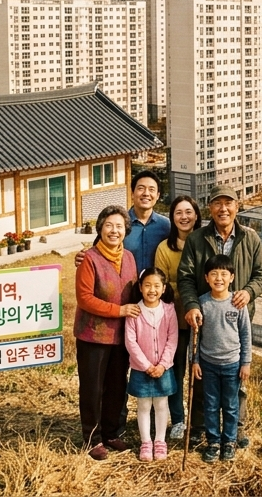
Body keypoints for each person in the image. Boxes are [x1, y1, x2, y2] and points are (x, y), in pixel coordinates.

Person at [176, 183, 262, 448]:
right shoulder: (197, 239)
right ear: (210, 207)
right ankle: (199, 428)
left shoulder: (250, 238)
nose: (223, 208)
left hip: (236, 319)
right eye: (218, 203)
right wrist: (192, 305)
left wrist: (249, 292)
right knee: (201, 375)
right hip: (204, 317)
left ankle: (235, 430)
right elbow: (185, 277)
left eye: (228, 203)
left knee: (237, 376)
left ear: (237, 207)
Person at [75, 205, 140, 459]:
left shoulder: (129, 257)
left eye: (119, 226)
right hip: (93, 336)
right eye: (109, 225)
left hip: (121, 336)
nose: (114, 231)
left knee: (116, 386)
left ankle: (111, 433)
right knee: (92, 388)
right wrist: (119, 310)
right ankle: (92, 438)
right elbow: (85, 299)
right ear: (100, 228)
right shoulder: (89, 259)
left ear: (126, 231)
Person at [191, 254, 251, 463]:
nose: (219, 278)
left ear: (232, 277)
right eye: (214, 274)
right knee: (210, 405)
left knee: (231, 406)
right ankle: (213, 442)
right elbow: (195, 337)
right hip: (208, 364)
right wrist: (195, 361)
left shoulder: (237, 303)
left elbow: (246, 334)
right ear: (206, 278)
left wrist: (246, 363)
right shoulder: (202, 303)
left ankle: (229, 442)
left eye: (224, 274)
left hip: (232, 365)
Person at [152, 195, 200, 440]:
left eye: (189, 212)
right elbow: (161, 285)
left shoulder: (204, 243)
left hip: (202, 320)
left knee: (201, 372)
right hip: (175, 321)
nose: (184, 217)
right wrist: (185, 289)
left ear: (196, 215)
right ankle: (178, 419)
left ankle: (200, 421)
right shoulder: (164, 248)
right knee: (176, 370)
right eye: (178, 212)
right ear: (172, 217)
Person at [124, 267, 179, 462]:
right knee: (144, 405)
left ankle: (160, 441)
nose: (152, 290)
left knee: (162, 404)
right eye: (147, 285)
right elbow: (130, 342)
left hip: (164, 368)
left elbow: (172, 338)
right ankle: (146, 442)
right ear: (140, 287)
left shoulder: (169, 310)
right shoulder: (134, 311)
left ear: (164, 288)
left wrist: (163, 364)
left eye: (157, 286)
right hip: (142, 369)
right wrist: (146, 365)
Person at [124, 170, 171, 269]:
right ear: (132, 193)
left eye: (151, 189)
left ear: (157, 196)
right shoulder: (120, 224)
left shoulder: (166, 226)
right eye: (141, 188)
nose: (146, 193)